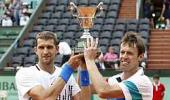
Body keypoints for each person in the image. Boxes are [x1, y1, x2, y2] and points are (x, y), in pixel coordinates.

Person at [15, 31, 90, 100]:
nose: (45, 52)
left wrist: (84, 68)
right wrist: (68, 69)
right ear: (35, 50)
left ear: (57, 49)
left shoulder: (67, 75)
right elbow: (45, 98)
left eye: (49, 47)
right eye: (41, 47)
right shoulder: (24, 73)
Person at [83, 32, 153, 99]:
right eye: (122, 52)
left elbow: (103, 91)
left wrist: (89, 60)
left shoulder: (142, 81)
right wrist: (82, 65)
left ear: (140, 57)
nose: (124, 56)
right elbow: (84, 88)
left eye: (129, 53)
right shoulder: (114, 79)